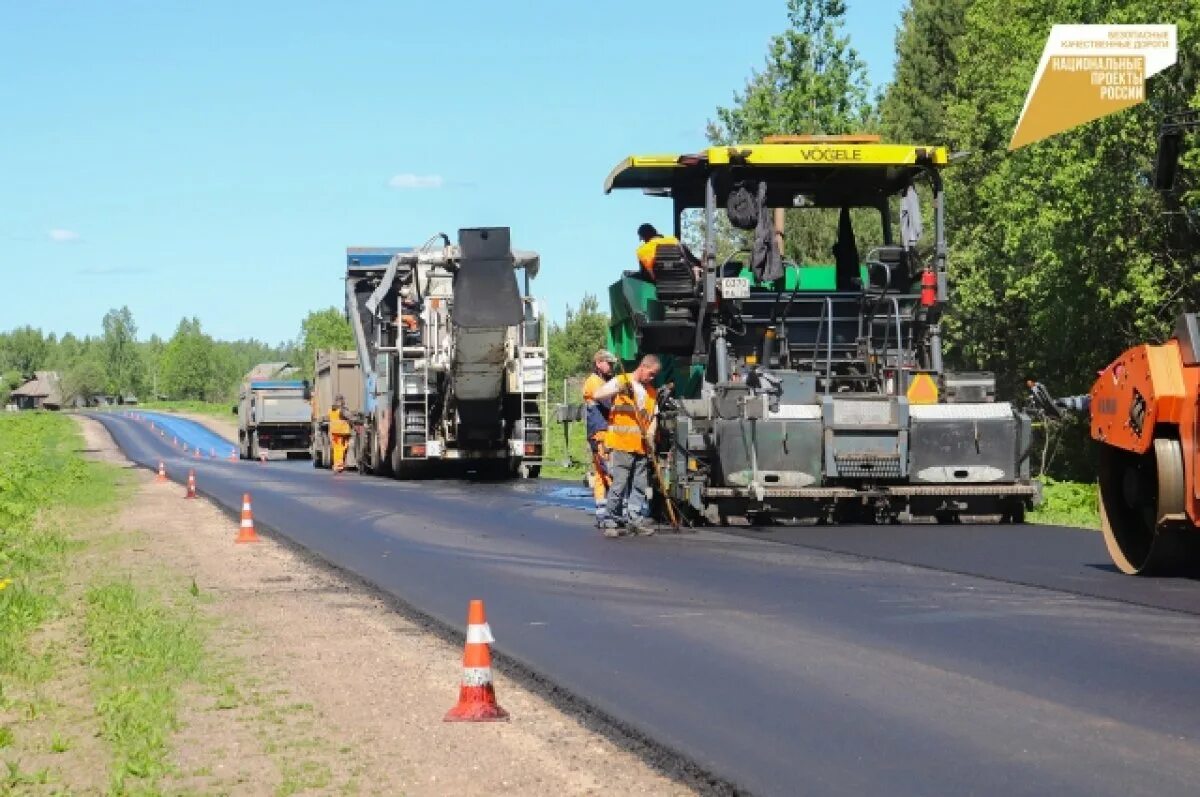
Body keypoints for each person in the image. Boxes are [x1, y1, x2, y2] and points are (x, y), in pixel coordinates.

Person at [591, 354, 662, 537]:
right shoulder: (622, 381)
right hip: (622, 443)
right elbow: (597, 395)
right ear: (643, 367)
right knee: (620, 484)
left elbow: (653, 417)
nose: (652, 378)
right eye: (651, 374)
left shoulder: (651, 392)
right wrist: (619, 389)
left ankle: (634, 520)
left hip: (641, 446)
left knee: (639, 485)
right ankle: (610, 521)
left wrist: (651, 435)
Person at [582, 349, 616, 525]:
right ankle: (611, 513)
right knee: (609, 472)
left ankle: (602, 512)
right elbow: (609, 403)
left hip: (600, 433)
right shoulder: (594, 382)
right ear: (598, 363)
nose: (611, 366)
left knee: (601, 474)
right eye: (608, 363)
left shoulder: (601, 381)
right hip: (600, 434)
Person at [636, 223, 702, 283]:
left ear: (643, 237)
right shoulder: (674, 240)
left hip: (658, 286)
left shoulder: (642, 250)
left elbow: (644, 274)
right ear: (655, 232)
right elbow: (691, 259)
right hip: (684, 282)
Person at [329, 394, 352, 473]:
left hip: (334, 432)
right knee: (341, 449)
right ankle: (339, 466)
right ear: (341, 401)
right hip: (342, 432)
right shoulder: (342, 410)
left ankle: (337, 465)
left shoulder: (332, 409)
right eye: (342, 400)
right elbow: (350, 416)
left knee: (336, 449)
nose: (343, 402)